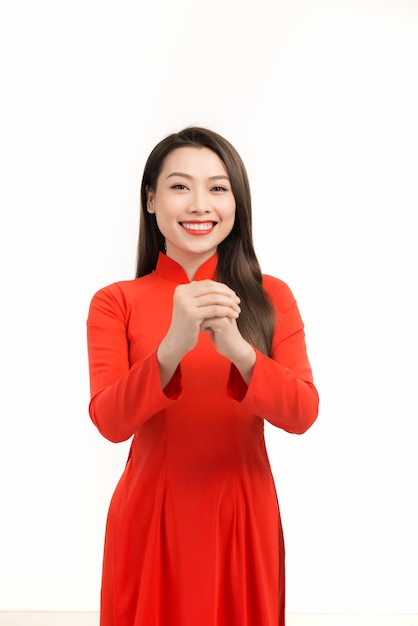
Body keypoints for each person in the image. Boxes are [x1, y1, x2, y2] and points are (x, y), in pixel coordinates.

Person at [86, 126, 319, 626]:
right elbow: (110, 422)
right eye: (178, 186)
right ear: (151, 201)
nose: (199, 204)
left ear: (237, 201)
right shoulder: (115, 302)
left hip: (243, 516)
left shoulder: (271, 296)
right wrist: (171, 348)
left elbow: (302, 414)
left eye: (217, 187)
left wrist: (238, 349)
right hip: (151, 519)